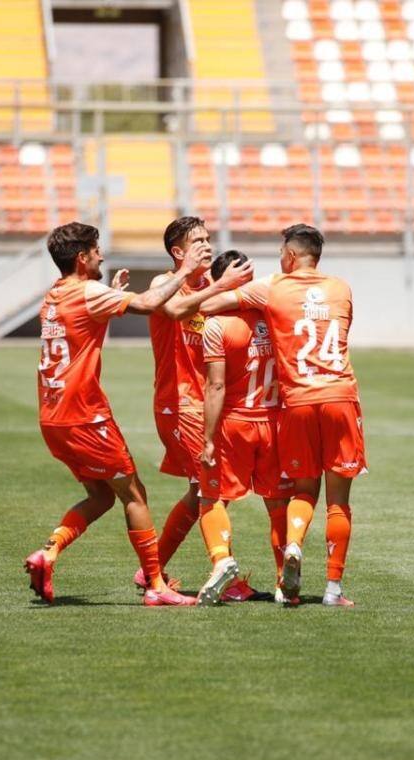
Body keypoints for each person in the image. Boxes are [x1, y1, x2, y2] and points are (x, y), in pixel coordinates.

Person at [22, 221, 246, 607]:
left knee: (100, 496)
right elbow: (151, 305)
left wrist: (113, 295)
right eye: (96, 251)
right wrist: (192, 275)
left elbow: (86, 318)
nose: (102, 255)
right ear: (82, 257)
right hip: (86, 416)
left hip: (52, 416)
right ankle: (158, 583)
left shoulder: (54, 296)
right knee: (138, 495)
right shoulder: (91, 291)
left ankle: (49, 551)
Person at [201, 224, 367, 607]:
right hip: (340, 396)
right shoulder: (342, 288)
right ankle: (333, 590)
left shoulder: (273, 286)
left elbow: (210, 306)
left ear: (290, 256)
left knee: (304, 490)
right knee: (338, 500)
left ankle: (294, 545)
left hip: (296, 403)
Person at [141, 216, 255, 596]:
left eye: (209, 240)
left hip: (203, 404)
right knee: (211, 489)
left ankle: (150, 571)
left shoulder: (209, 286)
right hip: (178, 404)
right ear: (178, 252)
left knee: (198, 493)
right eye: (198, 242)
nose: (208, 246)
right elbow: (173, 311)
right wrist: (222, 286)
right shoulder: (162, 284)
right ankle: (228, 577)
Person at [194, 250, 294, 605]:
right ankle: (285, 580)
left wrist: (207, 438)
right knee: (278, 503)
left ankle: (222, 559)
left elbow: (215, 387)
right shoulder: (274, 315)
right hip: (273, 421)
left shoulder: (216, 325)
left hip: (235, 424)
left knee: (211, 498)